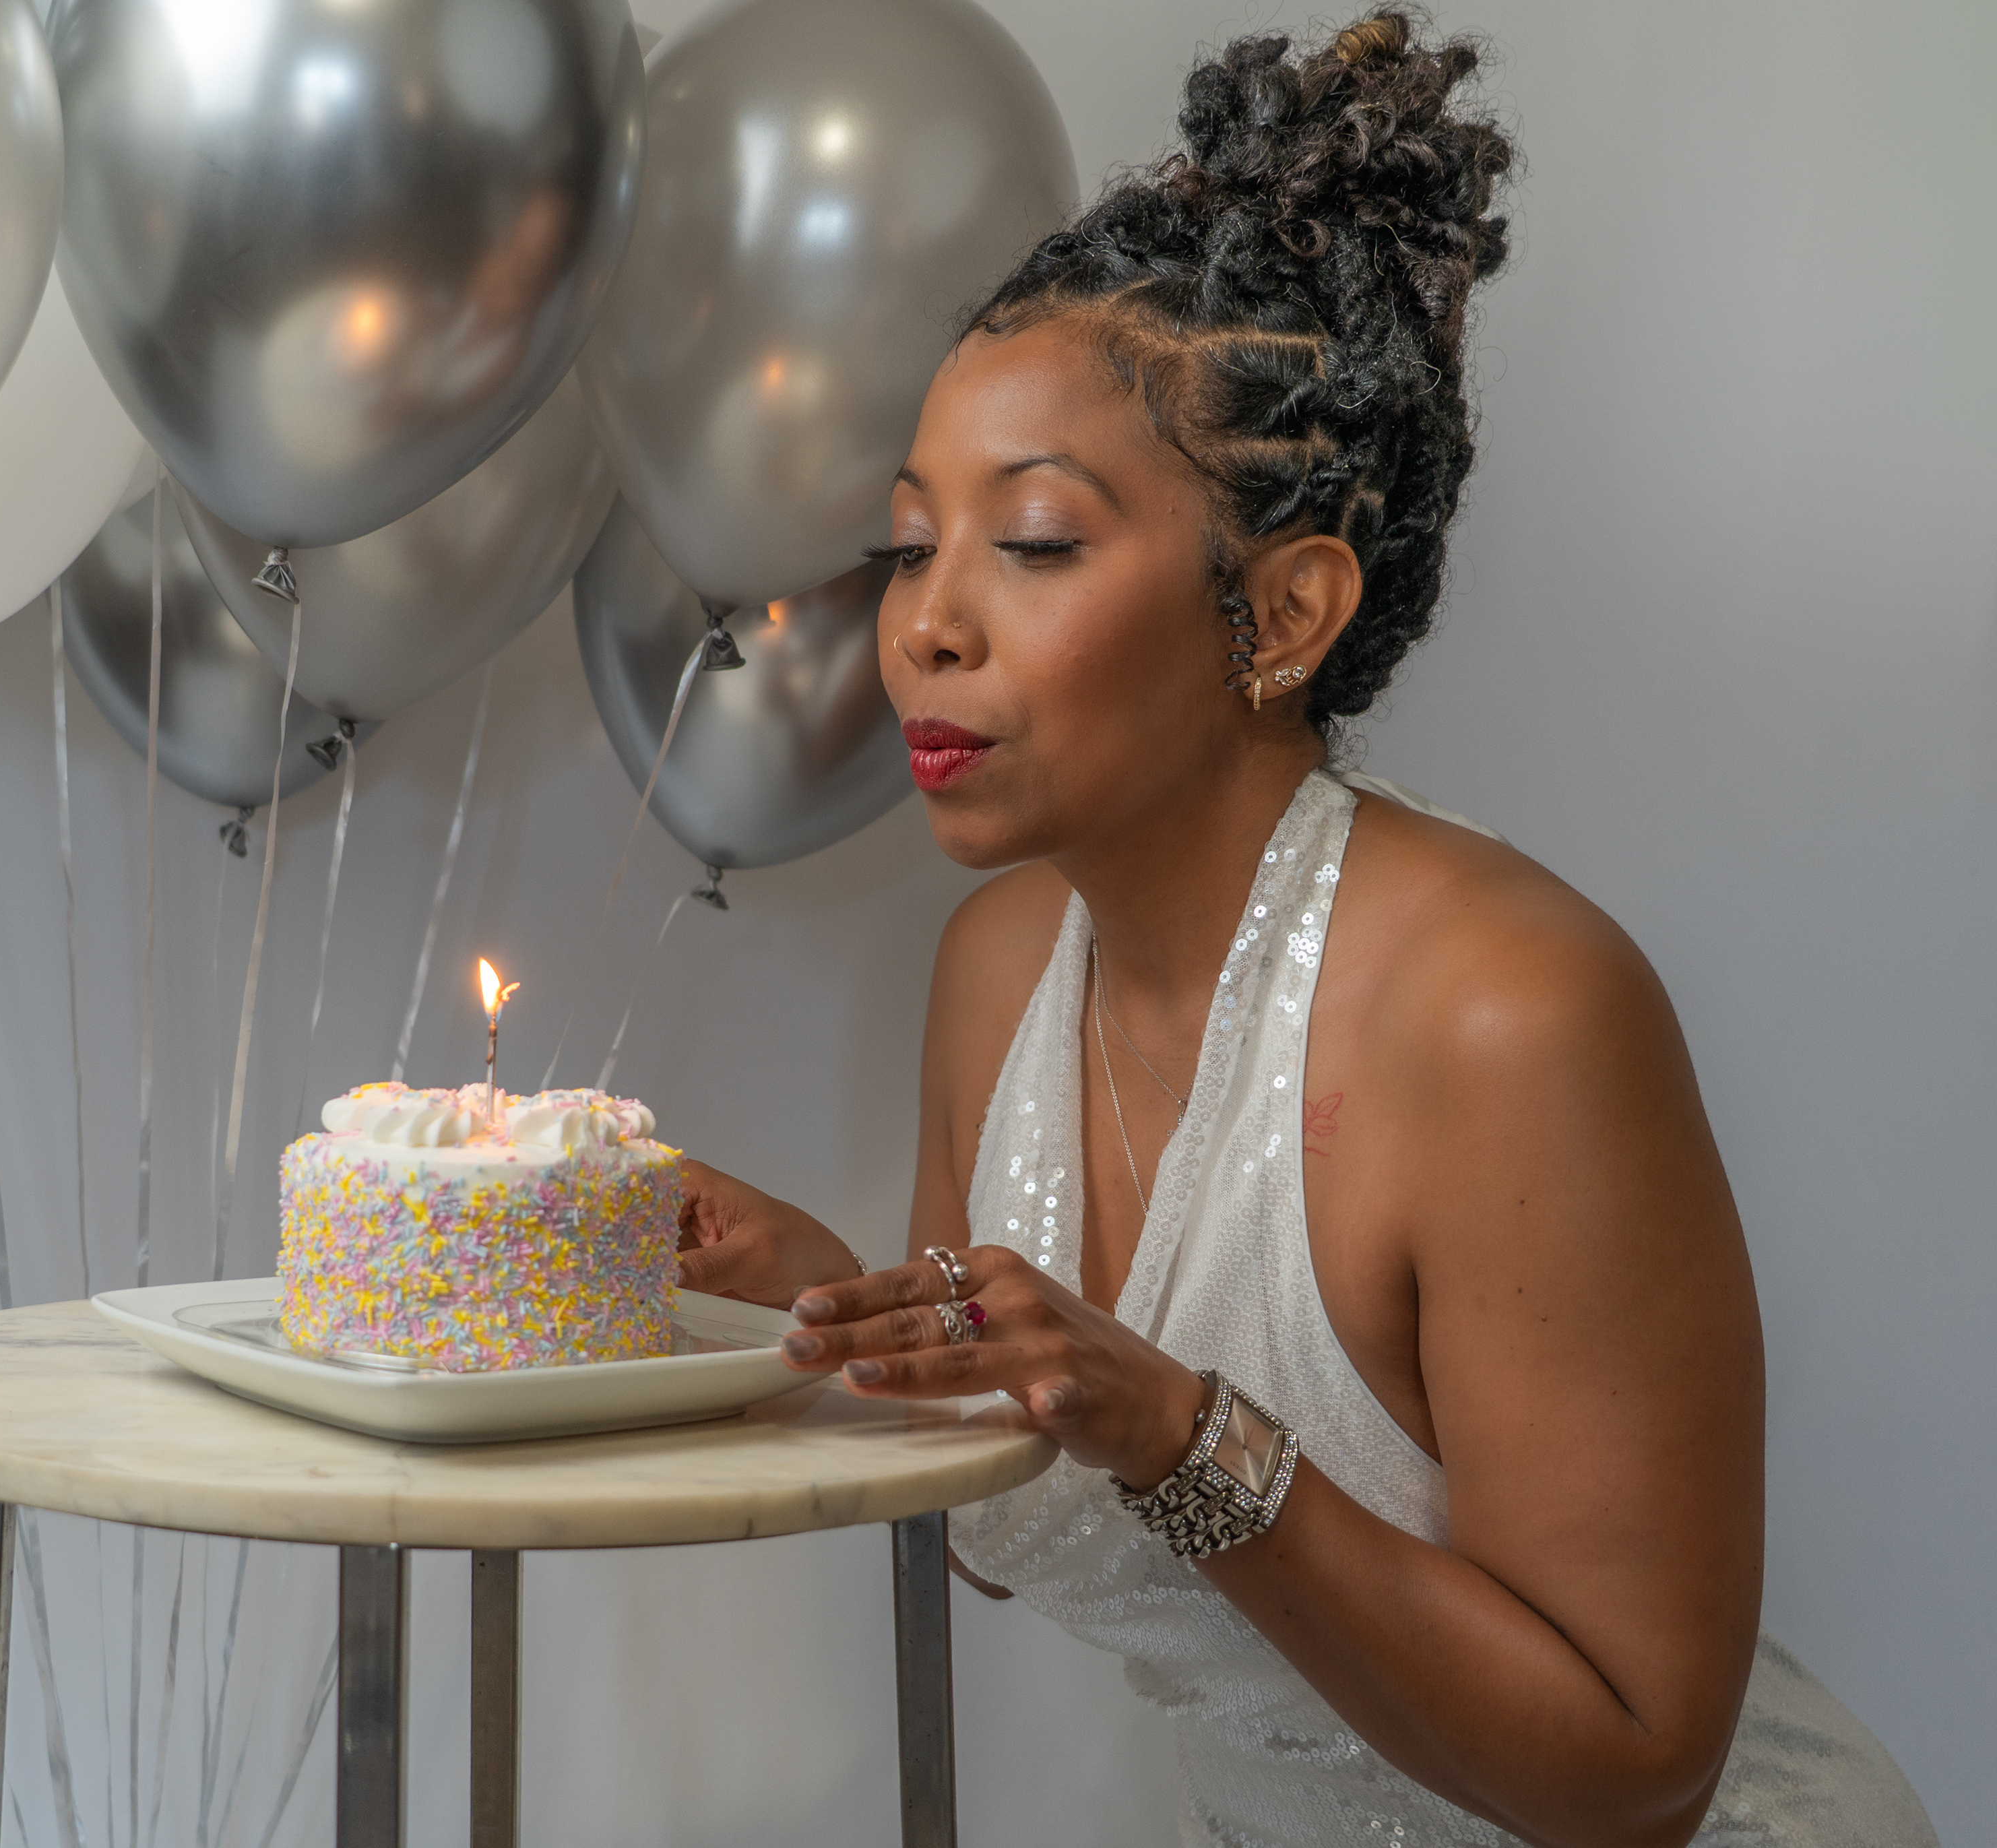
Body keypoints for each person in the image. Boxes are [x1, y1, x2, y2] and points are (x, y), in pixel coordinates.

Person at [673, 14, 1938, 1845]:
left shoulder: (1511, 1013)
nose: (923, 626)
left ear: (1282, 609)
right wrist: (822, 1302)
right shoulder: (1003, 975)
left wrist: (1185, 1434)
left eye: (1028, 544)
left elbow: (1639, 1771)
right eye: (906, 543)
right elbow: (1018, 1541)